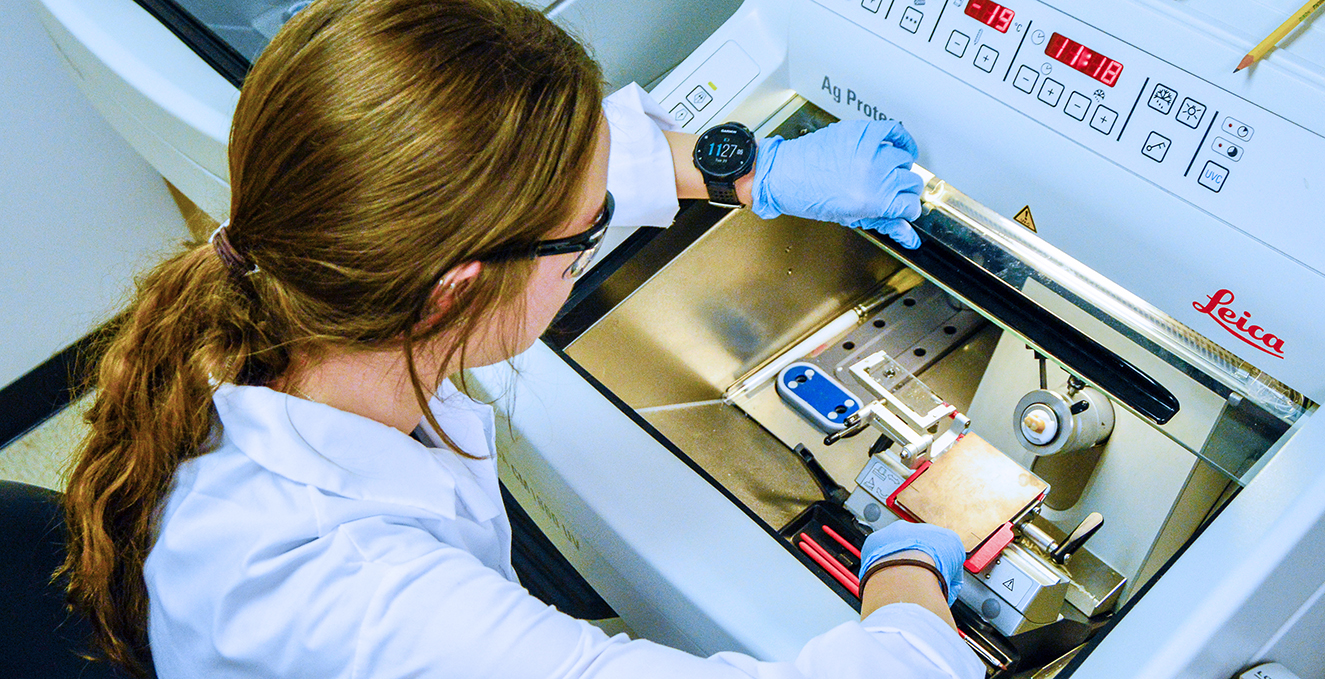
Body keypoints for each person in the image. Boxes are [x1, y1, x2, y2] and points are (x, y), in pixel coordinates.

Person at [60, 0, 982, 677]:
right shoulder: (364, 599)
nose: (593, 246)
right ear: (452, 292)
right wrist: (906, 572)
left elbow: (526, 180)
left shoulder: (304, 287)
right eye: (585, 239)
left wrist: (741, 169)